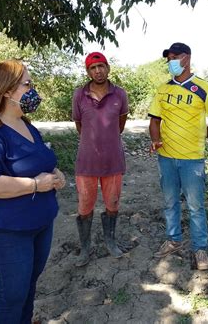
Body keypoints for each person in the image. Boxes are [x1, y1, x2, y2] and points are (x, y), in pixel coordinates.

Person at [0, 59, 66, 323]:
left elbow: (40, 162)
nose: (33, 91)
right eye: (27, 84)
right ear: (6, 90)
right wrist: (35, 185)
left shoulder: (27, 126)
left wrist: (56, 175)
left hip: (39, 223)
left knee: (28, 288)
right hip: (6, 228)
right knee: (11, 298)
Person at [148, 42, 208, 270]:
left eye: (174, 57)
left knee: (196, 206)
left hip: (192, 159)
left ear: (186, 58)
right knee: (170, 203)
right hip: (166, 157)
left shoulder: (203, 88)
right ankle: (174, 240)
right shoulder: (163, 89)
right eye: (168, 59)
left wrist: (201, 136)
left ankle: (200, 249)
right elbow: (154, 120)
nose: (171, 62)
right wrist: (155, 139)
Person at [72, 52, 129, 266]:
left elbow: (120, 126)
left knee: (112, 203)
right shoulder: (79, 95)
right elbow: (80, 126)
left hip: (113, 161)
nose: (98, 71)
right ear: (88, 71)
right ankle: (85, 248)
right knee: (85, 206)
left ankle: (110, 242)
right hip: (86, 163)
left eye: (101, 66)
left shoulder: (120, 94)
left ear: (108, 68)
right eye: (93, 67)